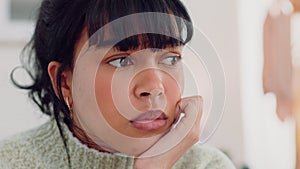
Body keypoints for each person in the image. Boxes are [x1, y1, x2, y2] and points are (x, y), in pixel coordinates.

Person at [0, 0, 235, 168]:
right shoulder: (10, 162)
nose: (154, 87)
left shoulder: (206, 165)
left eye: (170, 58)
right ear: (65, 82)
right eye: (121, 61)